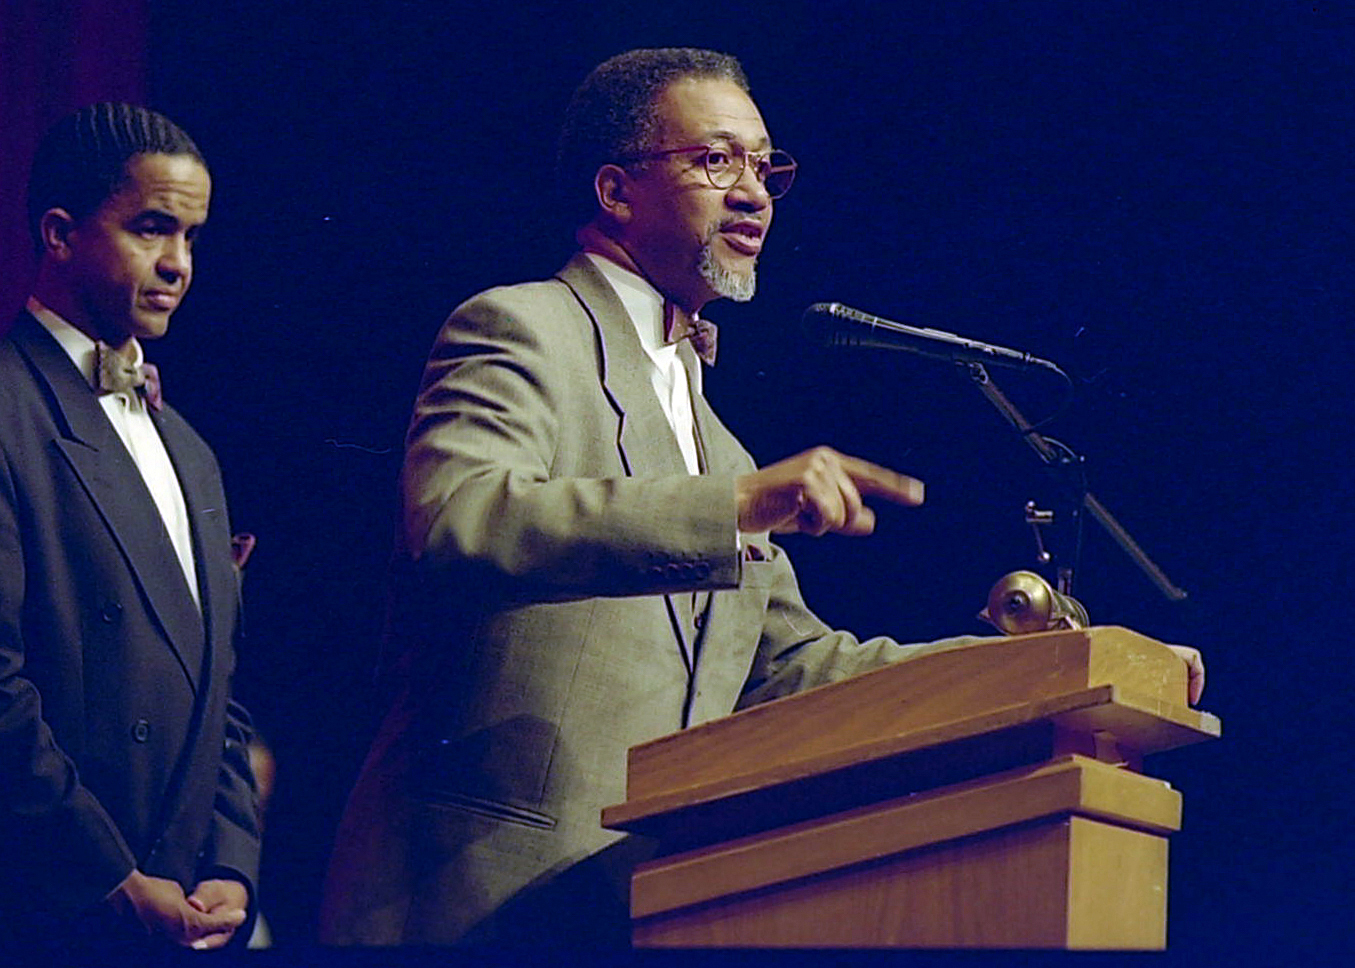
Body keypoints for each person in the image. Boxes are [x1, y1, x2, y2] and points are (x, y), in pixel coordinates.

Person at [318, 48, 1204, 946]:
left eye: (764, 166)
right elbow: (459, 518)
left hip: (653, 904)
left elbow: (792, 667)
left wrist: (1056, 672)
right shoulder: (523, 326)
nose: (752, 194)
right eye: (715, 160)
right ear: (615, 191)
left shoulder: (718, 441)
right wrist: (731, 506)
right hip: (476, 899)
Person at [0, 103, 261, 957]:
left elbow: (217, 690)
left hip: (175, 912)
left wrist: (230, 863)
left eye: (191, 236)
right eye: (151, 228)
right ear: (59, 234)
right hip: (25, 912)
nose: (178, 263)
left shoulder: (191, 452)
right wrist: (106, 878)